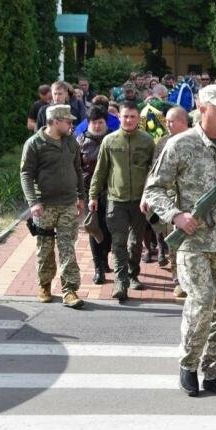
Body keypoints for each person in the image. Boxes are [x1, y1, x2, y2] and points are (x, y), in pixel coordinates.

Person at [144, 84, 216, 398]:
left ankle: (214, 372)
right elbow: (154, 189)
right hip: (194, 241)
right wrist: (176, 215)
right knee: (202, 301)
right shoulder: (180, 145)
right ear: (202, 108)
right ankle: (188, 363)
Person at [88, 100, 155, 301]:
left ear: (138, 119)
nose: (128, 120)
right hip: (115, 200)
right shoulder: (109, 141)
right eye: (125, 116)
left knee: (135, 243)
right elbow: (100, 171)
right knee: (118, 242)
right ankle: (120, 282)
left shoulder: (147, 141)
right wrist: (93, 195)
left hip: (139, 202)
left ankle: (133, 274)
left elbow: (153, 172)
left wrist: (151, 195)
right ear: (119, 117)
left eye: (132, 116)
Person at [19, 104, 85, 309]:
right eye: (68, 121)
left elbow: (78, 169)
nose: (71, 124)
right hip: (44, 206)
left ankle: (70, 290)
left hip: (67, 204)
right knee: (45, 248)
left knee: (67, 247)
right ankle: (45, 285)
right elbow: (26, 174)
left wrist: (81, 196)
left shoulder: (71, 142)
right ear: (55, 122)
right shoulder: (34, 144)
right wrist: (33, 202)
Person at [149, 106, 190, 297]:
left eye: (170, 121)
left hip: (191, 200)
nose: (167, 125)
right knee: (173, 240)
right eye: (166, 121)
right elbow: (154, 172)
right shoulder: (163, 142)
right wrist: (146, 196)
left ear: (183, 121)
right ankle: (177, 279)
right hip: (170, 200)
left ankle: (190, 278)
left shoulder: (195, 140)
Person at [78, 105, 114, 285]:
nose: (97, 126)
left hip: (113, 191)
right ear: (88, 123)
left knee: (109, 229)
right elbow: (76, 169)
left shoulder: (115, 138)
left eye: (100, 122)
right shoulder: (81, 141)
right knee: (94, 228)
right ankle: (98, 267)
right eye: (94, 122)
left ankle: (106, 256)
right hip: (90, 191)